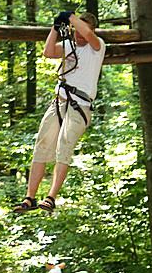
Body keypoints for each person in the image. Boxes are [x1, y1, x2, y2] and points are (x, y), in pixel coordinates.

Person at [13, 11, 105, 213]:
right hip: (59, 102)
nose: (79, 36)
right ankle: (30, 197)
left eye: (82, 31)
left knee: (64, 146)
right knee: (42, 144)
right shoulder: (69, 46)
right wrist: (55, 28)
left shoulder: (97, 47)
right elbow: (48, 51)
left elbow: (88, 36)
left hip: (80, 106)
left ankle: (51, 197)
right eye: (76, 32)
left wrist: (72, 17)